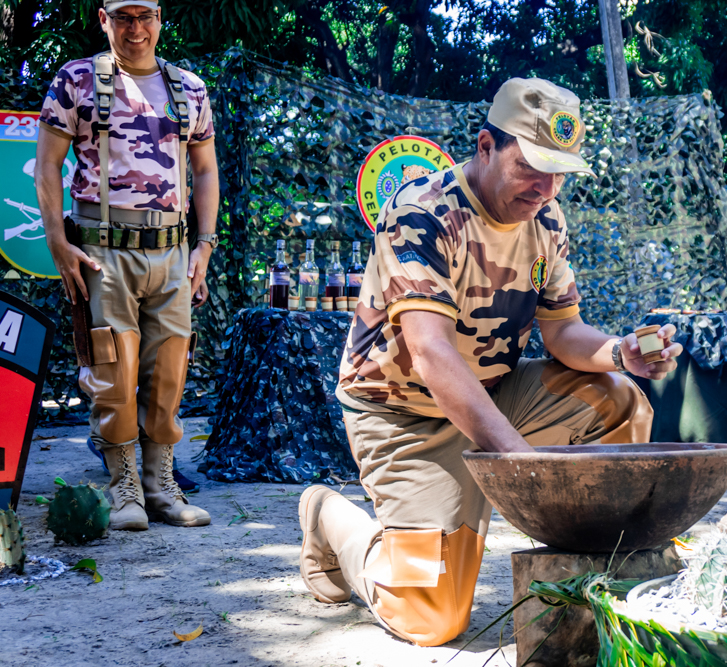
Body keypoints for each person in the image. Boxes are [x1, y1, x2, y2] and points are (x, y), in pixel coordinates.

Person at [298, 78, 682, 647]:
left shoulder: (546, 220)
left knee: (617, 398)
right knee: (430, 618)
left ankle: (596, 569)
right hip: (403, 415)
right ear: (485, 145)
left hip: (494, 393)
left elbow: (562, 330)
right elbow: (430, 353)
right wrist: (519, 459)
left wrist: (618, 353)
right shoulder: (421, 212)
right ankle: (328, 518)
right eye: (531, 166)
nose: (546, 187)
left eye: (559, 173)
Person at [36, 0, 219, 530]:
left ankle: (162, 485)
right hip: (102, 252)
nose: (135, 29)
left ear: (161, 19)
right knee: (113, 372)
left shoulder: (190, 88)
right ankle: (125, 489)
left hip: (173, 253)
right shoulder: (77, 81)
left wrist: (204, 245)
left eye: (145, 17)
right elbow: (47, 162)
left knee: (169, 373)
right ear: (103, 19)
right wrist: (56, 240)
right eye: (123, 18)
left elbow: (204, 170)